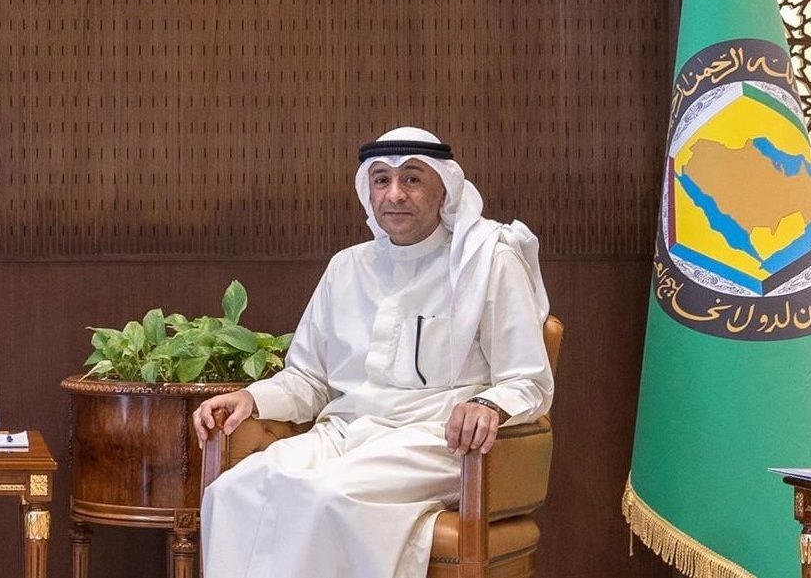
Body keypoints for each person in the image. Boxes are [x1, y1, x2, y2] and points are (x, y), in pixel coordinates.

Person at [192, 126, 554, 578]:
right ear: (368, 191)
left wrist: (486, 405)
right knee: (233, 491)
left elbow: (527, 379)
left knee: (328, 496)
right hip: (347, 432)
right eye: (382, 180)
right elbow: (309, 379)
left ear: (444, 189)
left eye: (412, 179)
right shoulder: (346, 267)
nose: (395, 194)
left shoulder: (486, 261)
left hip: (434, 439)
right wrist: (252, 398)